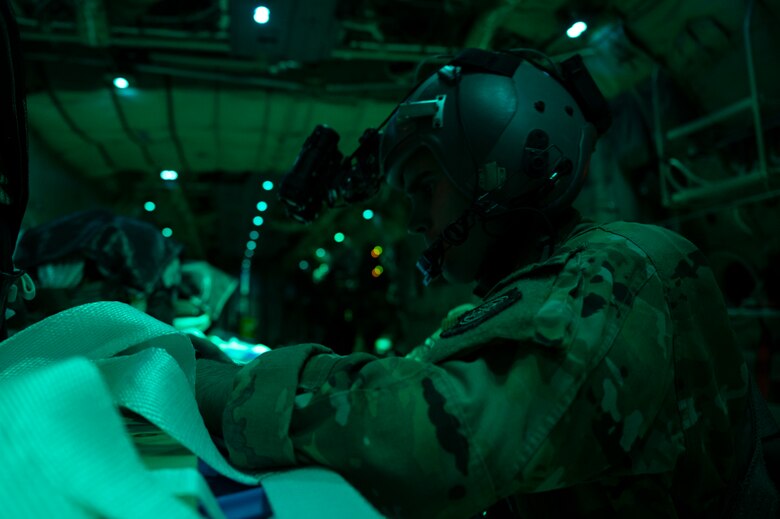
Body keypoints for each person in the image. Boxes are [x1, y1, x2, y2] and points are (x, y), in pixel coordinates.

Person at [195, 49, 774, 518]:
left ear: (504, 164)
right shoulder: (536, 287)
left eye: (425, 188)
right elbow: (418, 385)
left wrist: (206, 388)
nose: (418, 221)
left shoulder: (621, 271)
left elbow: (442, 440)